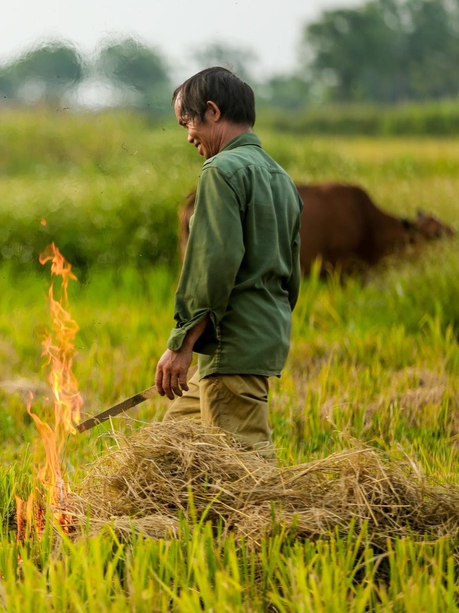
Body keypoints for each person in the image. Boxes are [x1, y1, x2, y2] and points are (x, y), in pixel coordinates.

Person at [154, 67, 303, 460]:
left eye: (187, 121)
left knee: (243, 469)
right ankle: (171, 520)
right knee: (169, 449)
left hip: (233, 344)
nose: (188, 135)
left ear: (213, 112)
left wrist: (181, 344)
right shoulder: (281, 177)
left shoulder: (220, 172)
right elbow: (293, 276)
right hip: (257, 337)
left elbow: (213, 264)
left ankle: (275, 523)